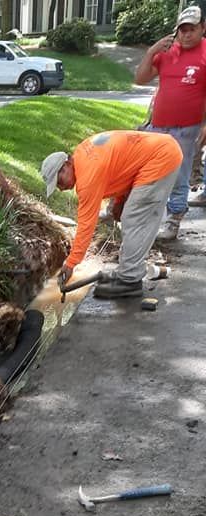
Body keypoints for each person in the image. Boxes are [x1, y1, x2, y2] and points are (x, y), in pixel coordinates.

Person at [41, 130, 182, 299]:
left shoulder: (87, 178)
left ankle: (130, 280)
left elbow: (86, 225)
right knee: (131, 216)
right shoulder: (82, 155)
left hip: (161, 158)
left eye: (59, 181)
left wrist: (71, 262)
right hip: (160, 151)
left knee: (134, 218)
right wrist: (119, 200)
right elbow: (121, 167)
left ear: (66, 166)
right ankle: (126, 272)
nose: (61, 188)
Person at [134, 4, 206, 239]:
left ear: (202, 28)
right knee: (152, 172)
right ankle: (148, 216)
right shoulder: (167, 51)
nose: (186, 34)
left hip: (186, 128)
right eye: (182, 29)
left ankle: (173, 220)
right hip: (158, 126)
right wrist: (150, 52)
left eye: (191, 29)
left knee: (179, 173)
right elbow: (141, 78)